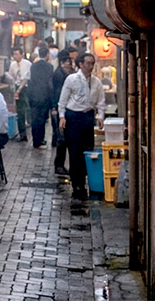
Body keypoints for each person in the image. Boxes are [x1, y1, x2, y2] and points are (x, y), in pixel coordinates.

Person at [58, 53, 107, 202]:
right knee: (74, 152)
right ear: (80, 64)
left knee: (87, 150)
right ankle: (77, 185)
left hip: (87, 117)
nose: (90, 66)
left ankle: (85, 181)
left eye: (92, 63)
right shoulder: (71, 79)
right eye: (87, 63)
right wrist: (62, 116)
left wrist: (100, 117)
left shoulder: (96, 82)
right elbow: (63, 99)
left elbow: (101, 101)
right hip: (73, 117)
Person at [50, 54, 75, 175]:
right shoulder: (59, 75)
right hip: (59, 109)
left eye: (70, 63)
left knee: (64, 138)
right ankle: (59, 166)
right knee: (61, 138)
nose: (69, 66)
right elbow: (56, 92)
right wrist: (55, 107)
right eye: (67, 63)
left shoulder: (67, 74)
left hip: (66, 109)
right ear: (61, 63)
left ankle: (62, 165)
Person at [28, 46, 55, 149]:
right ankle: (40, 139)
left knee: (34, 119)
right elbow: (49, 84)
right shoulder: (49, 67)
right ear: (47, 54)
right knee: (42, 119)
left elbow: (31, 81)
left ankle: (35, 140)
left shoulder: (33, 66)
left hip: (34, 95)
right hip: (44, 96)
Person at [6, 47, 32, 142]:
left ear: (22, 54)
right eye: (14, 54)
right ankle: (22, 133)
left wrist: (19, 90)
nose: (15, 56)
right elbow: (11, 76)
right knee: (19, 111)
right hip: (16, 87)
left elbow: (26, 78)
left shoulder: (27, 64)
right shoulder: (12, 65)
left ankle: (27, 127)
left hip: (25, 88)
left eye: (17, 54)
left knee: (26, 109)